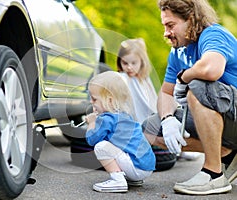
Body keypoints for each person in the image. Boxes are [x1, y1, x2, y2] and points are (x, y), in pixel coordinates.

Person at [142, 0, 237, 195]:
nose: (166, 33)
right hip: (227, 120)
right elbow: (166, 93)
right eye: (164, 26)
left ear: (191, 20)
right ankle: (227, 153)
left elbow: (211, 70)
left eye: (170, 25)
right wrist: (168, 119)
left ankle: (213, 174)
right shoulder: (177, 52)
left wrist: (183, 78)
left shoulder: (214, 35)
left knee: (198, 85)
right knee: (151, 128)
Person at [118, 38, 200, 162]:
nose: (129, 67)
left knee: (173, 123)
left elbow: (152, 101)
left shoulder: (144, 80)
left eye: (133, 63)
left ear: (142, 62)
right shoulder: (123, 78)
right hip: (135, 125)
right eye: (125, 63)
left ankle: (181, 150)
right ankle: (173, 151)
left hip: (149, 120)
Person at [85, 71, 155, 193]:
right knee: (113, 146)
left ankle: (118, 180)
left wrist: (92, 123)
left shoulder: (106, 119)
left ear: (110, 101)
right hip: (146, 167)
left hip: (136, 168)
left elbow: (91, 140)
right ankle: (132, 178)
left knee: (100, 147)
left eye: (94, 99)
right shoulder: (124, 116)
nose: (91, 102)